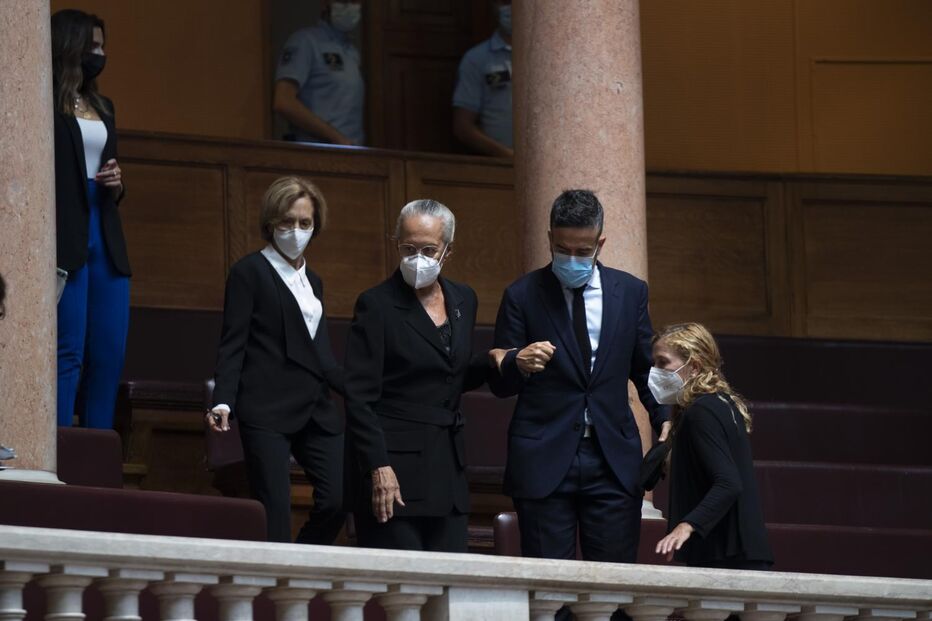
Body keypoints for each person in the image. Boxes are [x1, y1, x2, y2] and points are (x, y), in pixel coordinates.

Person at [490, 189, 671, 566]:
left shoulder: (631, 293)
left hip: (611, 459)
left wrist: (665, 420)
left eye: (583, 250)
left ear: (600, 242)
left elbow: (643, 369)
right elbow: (500, 384)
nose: (572, 258)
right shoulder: (522, 295)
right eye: (563, 249)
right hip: (543, 456)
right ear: (550, 239)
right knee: (549, 589)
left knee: (611, 587)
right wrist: (517, 363)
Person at [344, 199, 508, 552]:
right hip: (393, 470)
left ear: (448, 250)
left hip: (446, 466)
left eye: (429, 249)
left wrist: (493, 360)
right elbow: (359, 398)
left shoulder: (464, 299)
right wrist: (378, 467)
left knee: (451, 586)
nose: (417, 257)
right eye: (408, 248)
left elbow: (450, 374)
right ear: (396, 243)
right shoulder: (376, 304)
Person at [208, 177, 346, 545]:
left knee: (339, 498)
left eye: (305, 223)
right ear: (270, 223)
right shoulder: (248, 272)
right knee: (274, 510)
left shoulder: (313, 280)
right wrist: (223, 399)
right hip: (266, 407)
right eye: (287, 222)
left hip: (315, 406)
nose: (295, 231)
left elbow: (320, 351)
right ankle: (279, 590)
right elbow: (232, 342)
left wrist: (362, 389)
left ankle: (304, 562)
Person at [52, 9, 131, 429]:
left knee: (108, 353)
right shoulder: (45, 103)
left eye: (102, 46)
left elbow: (109, 168)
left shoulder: (103, 105)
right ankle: (59, 452)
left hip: (105, 228)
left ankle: (96, 463)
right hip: (66, 231)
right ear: (71, 46)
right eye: (93, 46)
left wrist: (116, 182)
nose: (100, 54)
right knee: (69, 351)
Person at [651, 323, 773, 569]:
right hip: (725, 550)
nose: (655, 371)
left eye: (663, 362)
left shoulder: (703, 411)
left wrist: (687, 526)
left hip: (727, 556)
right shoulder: (718, 404)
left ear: (694, 366)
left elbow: (728, 483)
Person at [273, 0, 365, 145]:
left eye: (354, 1)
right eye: (342, 1)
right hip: (316, 153)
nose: (349, 6)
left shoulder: (352, 52)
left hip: (351, 155)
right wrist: (337, 138)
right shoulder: (305, 41)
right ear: (324, 3)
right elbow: (284, 102)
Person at [452, 0, 513, 157]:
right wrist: (507, 155)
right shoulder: (477, 59)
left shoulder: (549, 58)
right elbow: (463, 126)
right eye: (505, 2)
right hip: (499, 165)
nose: (512, 8)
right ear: (493, 5)